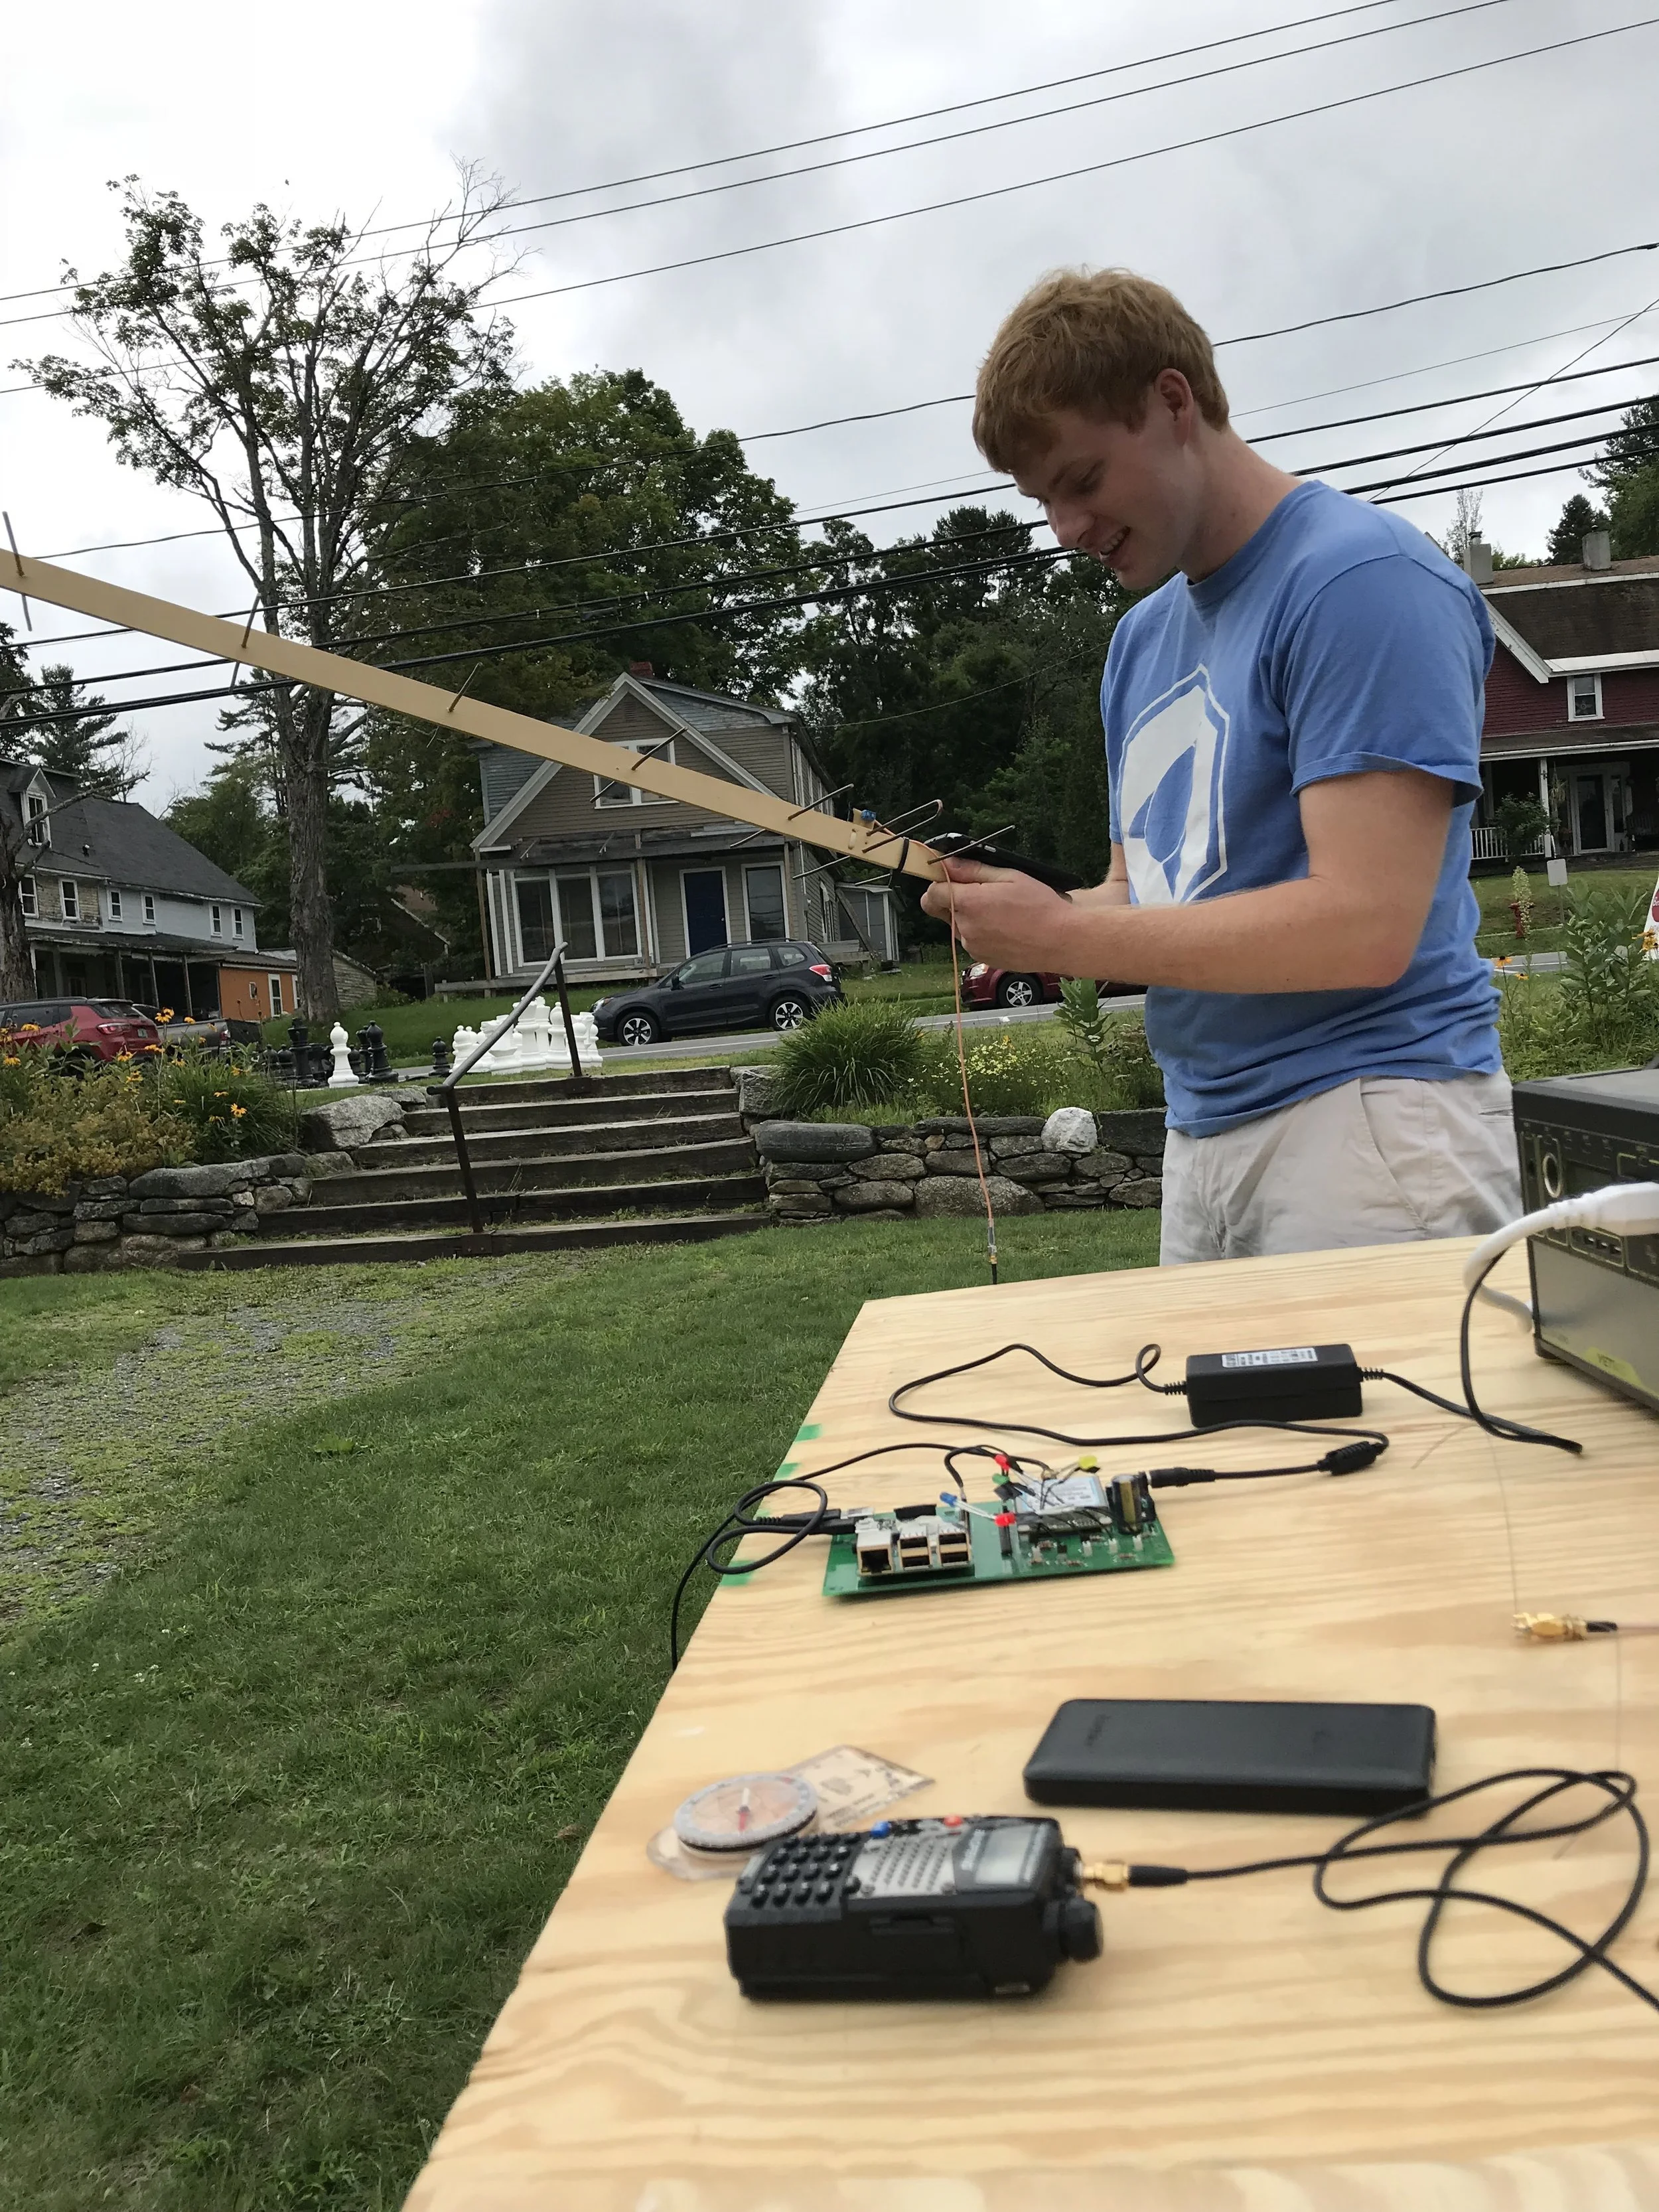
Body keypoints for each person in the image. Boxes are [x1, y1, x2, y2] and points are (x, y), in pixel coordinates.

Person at [922, 267, 1521, 1264]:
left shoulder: (1359, 582)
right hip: (1203, 1136)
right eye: (1042, 499)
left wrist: (1067, 939)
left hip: (1372, 1120)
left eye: (1083, 481)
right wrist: (1029, 915)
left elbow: (1365, 927)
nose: (1065, 529)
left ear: (1172, 402)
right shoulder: (1140, 644)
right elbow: (1141, 889)